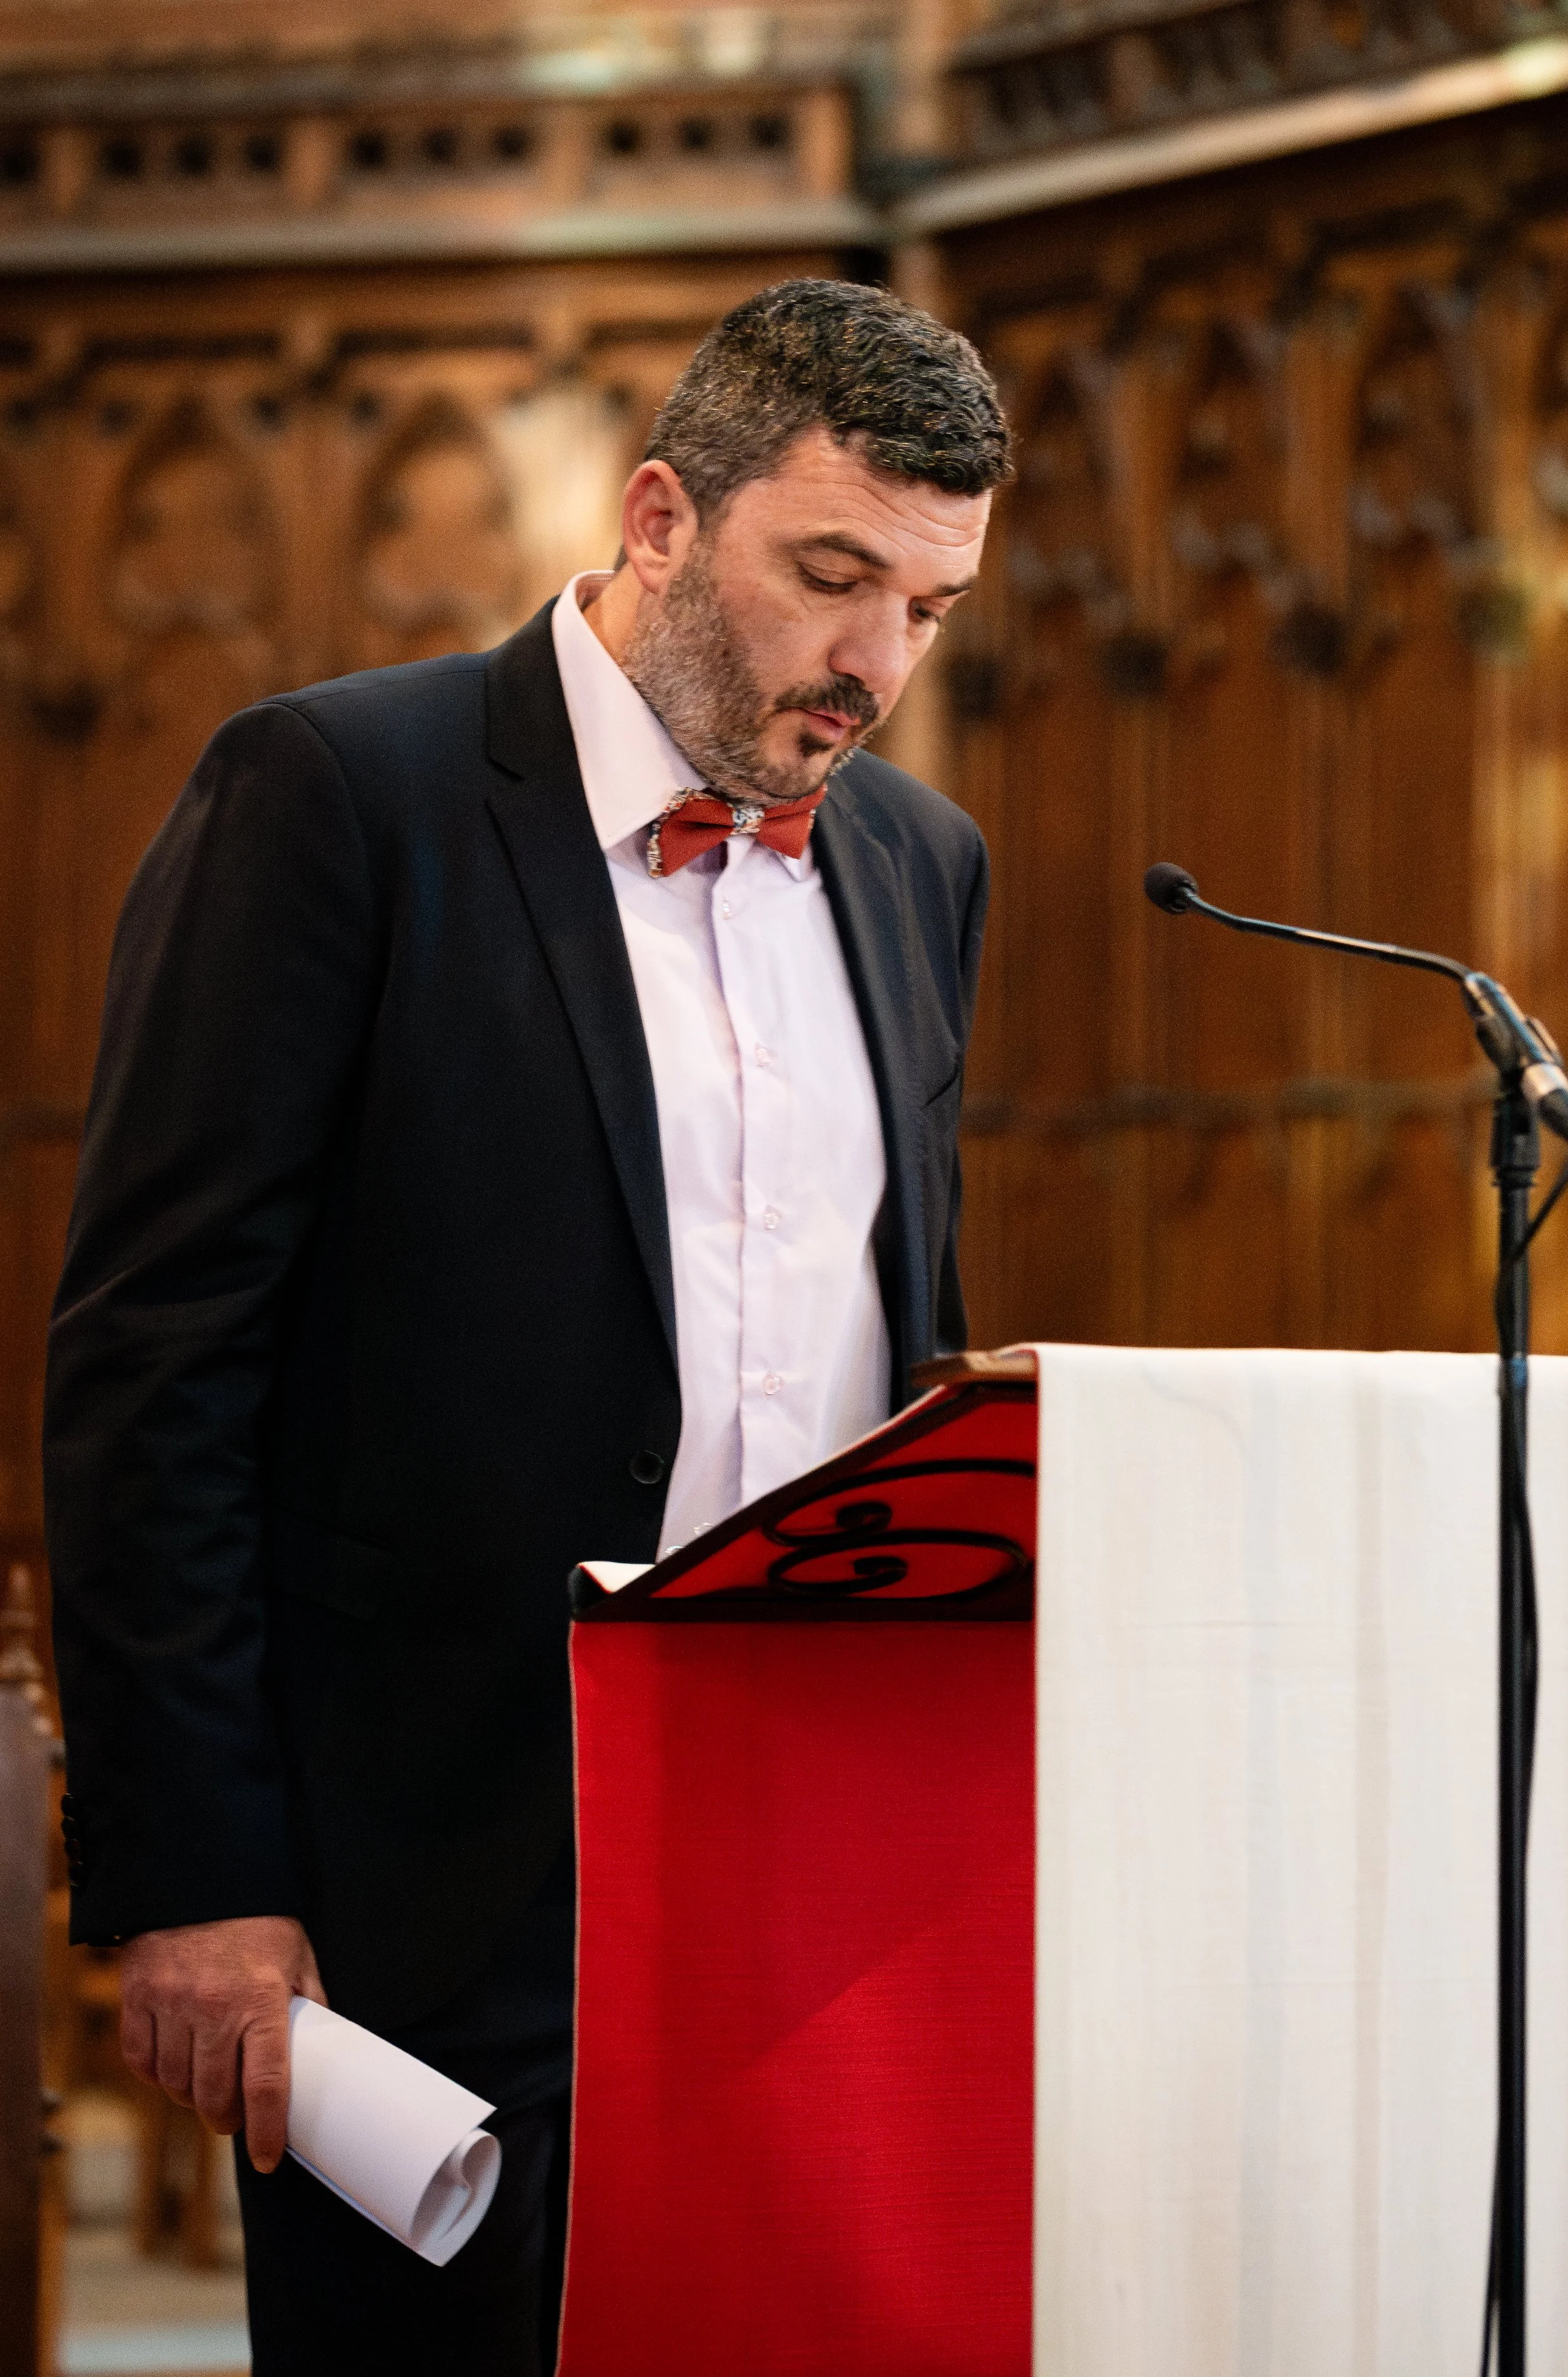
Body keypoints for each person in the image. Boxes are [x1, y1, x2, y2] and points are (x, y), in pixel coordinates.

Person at [44, 275, 1014, 2373]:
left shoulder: (919, 866)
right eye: (828, 578)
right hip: (440, 1862)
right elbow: (156, 1363)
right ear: (660, 517)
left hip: (813, 1869)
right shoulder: (337, 797)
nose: (875, 665)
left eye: (927, 611)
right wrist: (194, 1874)